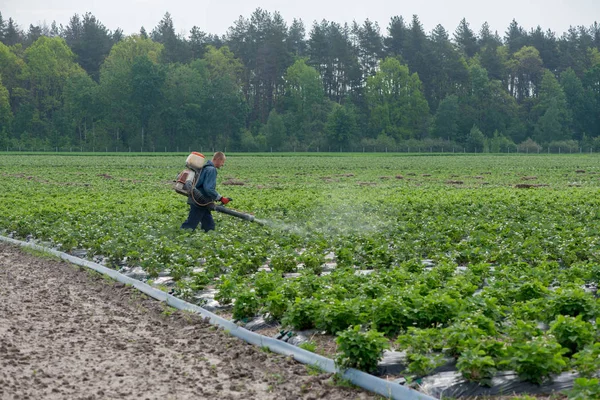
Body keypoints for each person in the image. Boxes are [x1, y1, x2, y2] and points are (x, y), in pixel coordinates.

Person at [181, 151, 231, 232]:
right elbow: (208, 188)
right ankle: (181, 235)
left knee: (209, 225)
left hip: (200, 201)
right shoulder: (211, 170)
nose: (223, 164)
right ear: (218, 159)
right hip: (200, 201)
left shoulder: (205, 167)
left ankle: (209, 235)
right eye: (223, 162)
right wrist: (221, 198)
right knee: (190, 224)